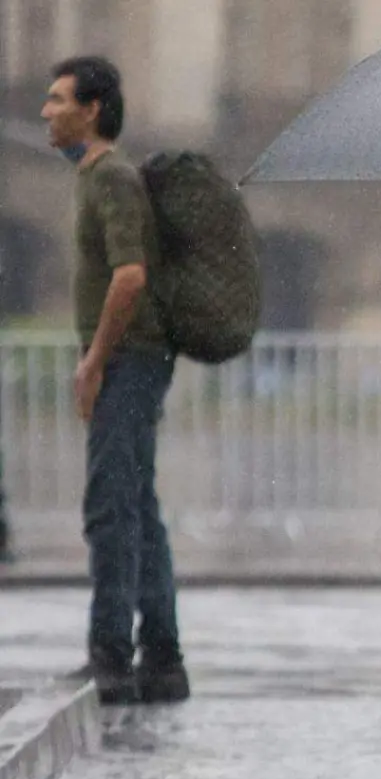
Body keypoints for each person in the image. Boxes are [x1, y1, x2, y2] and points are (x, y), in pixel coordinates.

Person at [42, 57, 187, 704]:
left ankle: (110, 657)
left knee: (110, 506)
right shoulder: (94, 177)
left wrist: (94, 360)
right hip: (132, 358)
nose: (46, 111)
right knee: (138, 507)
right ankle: (161, 658)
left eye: (57, 99)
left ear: (91, 108)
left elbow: (130, 275)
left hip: (130, 360)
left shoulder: (112, 178)